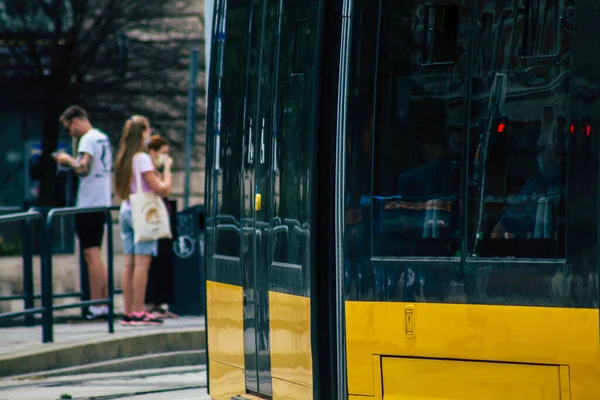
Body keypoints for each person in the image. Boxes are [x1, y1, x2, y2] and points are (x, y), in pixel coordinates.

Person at [54, 106, 112, 320]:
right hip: (101, 201)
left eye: (69, 129)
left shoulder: (87, 139)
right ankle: (104, 302)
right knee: (96, 255)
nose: (70, 133)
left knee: (91, 255)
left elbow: (83, 167)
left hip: (88, 204)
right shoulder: (102, 137)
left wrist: (66, 159)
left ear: (76, 121)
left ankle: (97, 305)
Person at [114, 116, 173, 325]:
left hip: (127, 209)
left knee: (128, 264)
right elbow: (161, 189)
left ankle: (128, 312)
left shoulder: (124, 157)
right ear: (142, 133)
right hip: (143, 213)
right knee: (142, 264)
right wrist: (166, 170)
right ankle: (140, 311)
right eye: (147, 130)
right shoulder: (142, 158)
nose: (149, 133)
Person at [145, 135, 178, 318]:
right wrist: (167, 169)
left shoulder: (153, 169)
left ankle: (159, 304)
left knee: (163, 259)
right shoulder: (148, 168)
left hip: (159, 217)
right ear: (153, 152)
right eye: (163, 154)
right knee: (152, 260)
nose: (165, 158)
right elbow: (165, 188)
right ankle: (150, 304)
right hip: (150, 218)